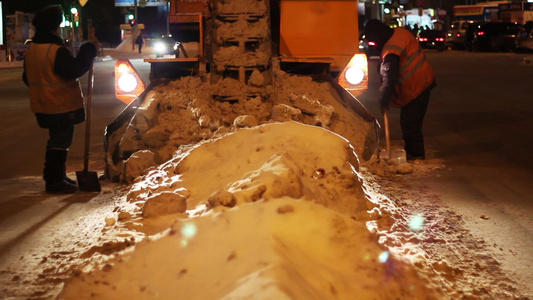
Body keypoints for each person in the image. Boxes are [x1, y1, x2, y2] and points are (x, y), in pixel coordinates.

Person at [22, 5, 98, 193]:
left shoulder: (32, 49)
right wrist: (89, 50)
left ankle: (56, 177)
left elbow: (27, 77)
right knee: (61, 141)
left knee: (56, 140)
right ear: (54, 28)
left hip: (42, 104)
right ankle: (54, 182)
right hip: (60, 104)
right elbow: (73, 70)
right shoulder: (55, 50)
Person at [363, 19, 436, 160]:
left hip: (416, 86)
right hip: (424, 80)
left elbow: (388, 78)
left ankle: (416, 156)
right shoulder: (401, 33)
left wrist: (383, 99)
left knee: (410, 125)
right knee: (409, 122)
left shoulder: (391, 51)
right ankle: (413, 153)